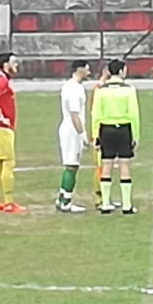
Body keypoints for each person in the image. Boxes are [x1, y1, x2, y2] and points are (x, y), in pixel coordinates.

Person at [92, 59, 141, 214]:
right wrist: (136, 135)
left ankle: (105, 203)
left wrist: (95, 135)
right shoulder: (129, 90)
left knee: (106, 165)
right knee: (124, 165)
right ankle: (126, 204)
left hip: (106, 129)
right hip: (124, 128)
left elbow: (96, 114)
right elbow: (134, 114)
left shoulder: (101, 90)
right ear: (120, 71)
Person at [0, 52, 24, 213]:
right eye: (14, 62)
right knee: (8, 162)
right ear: (6, 64)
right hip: (1, 128)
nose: (17, 65)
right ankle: (9, 201)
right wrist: (2, 118)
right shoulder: (1, 81)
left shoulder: (1, 80)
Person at [56, 59, 92, 213]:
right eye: (87, 70)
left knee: (73, 165)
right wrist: (82, 134)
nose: (89, 73)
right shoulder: (73, 89)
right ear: (79, 70)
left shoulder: (76, 87)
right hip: (72, 130)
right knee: (72, 165)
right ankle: (66, 201)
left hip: (72, 128)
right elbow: (74, 114)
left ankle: (62, 197)